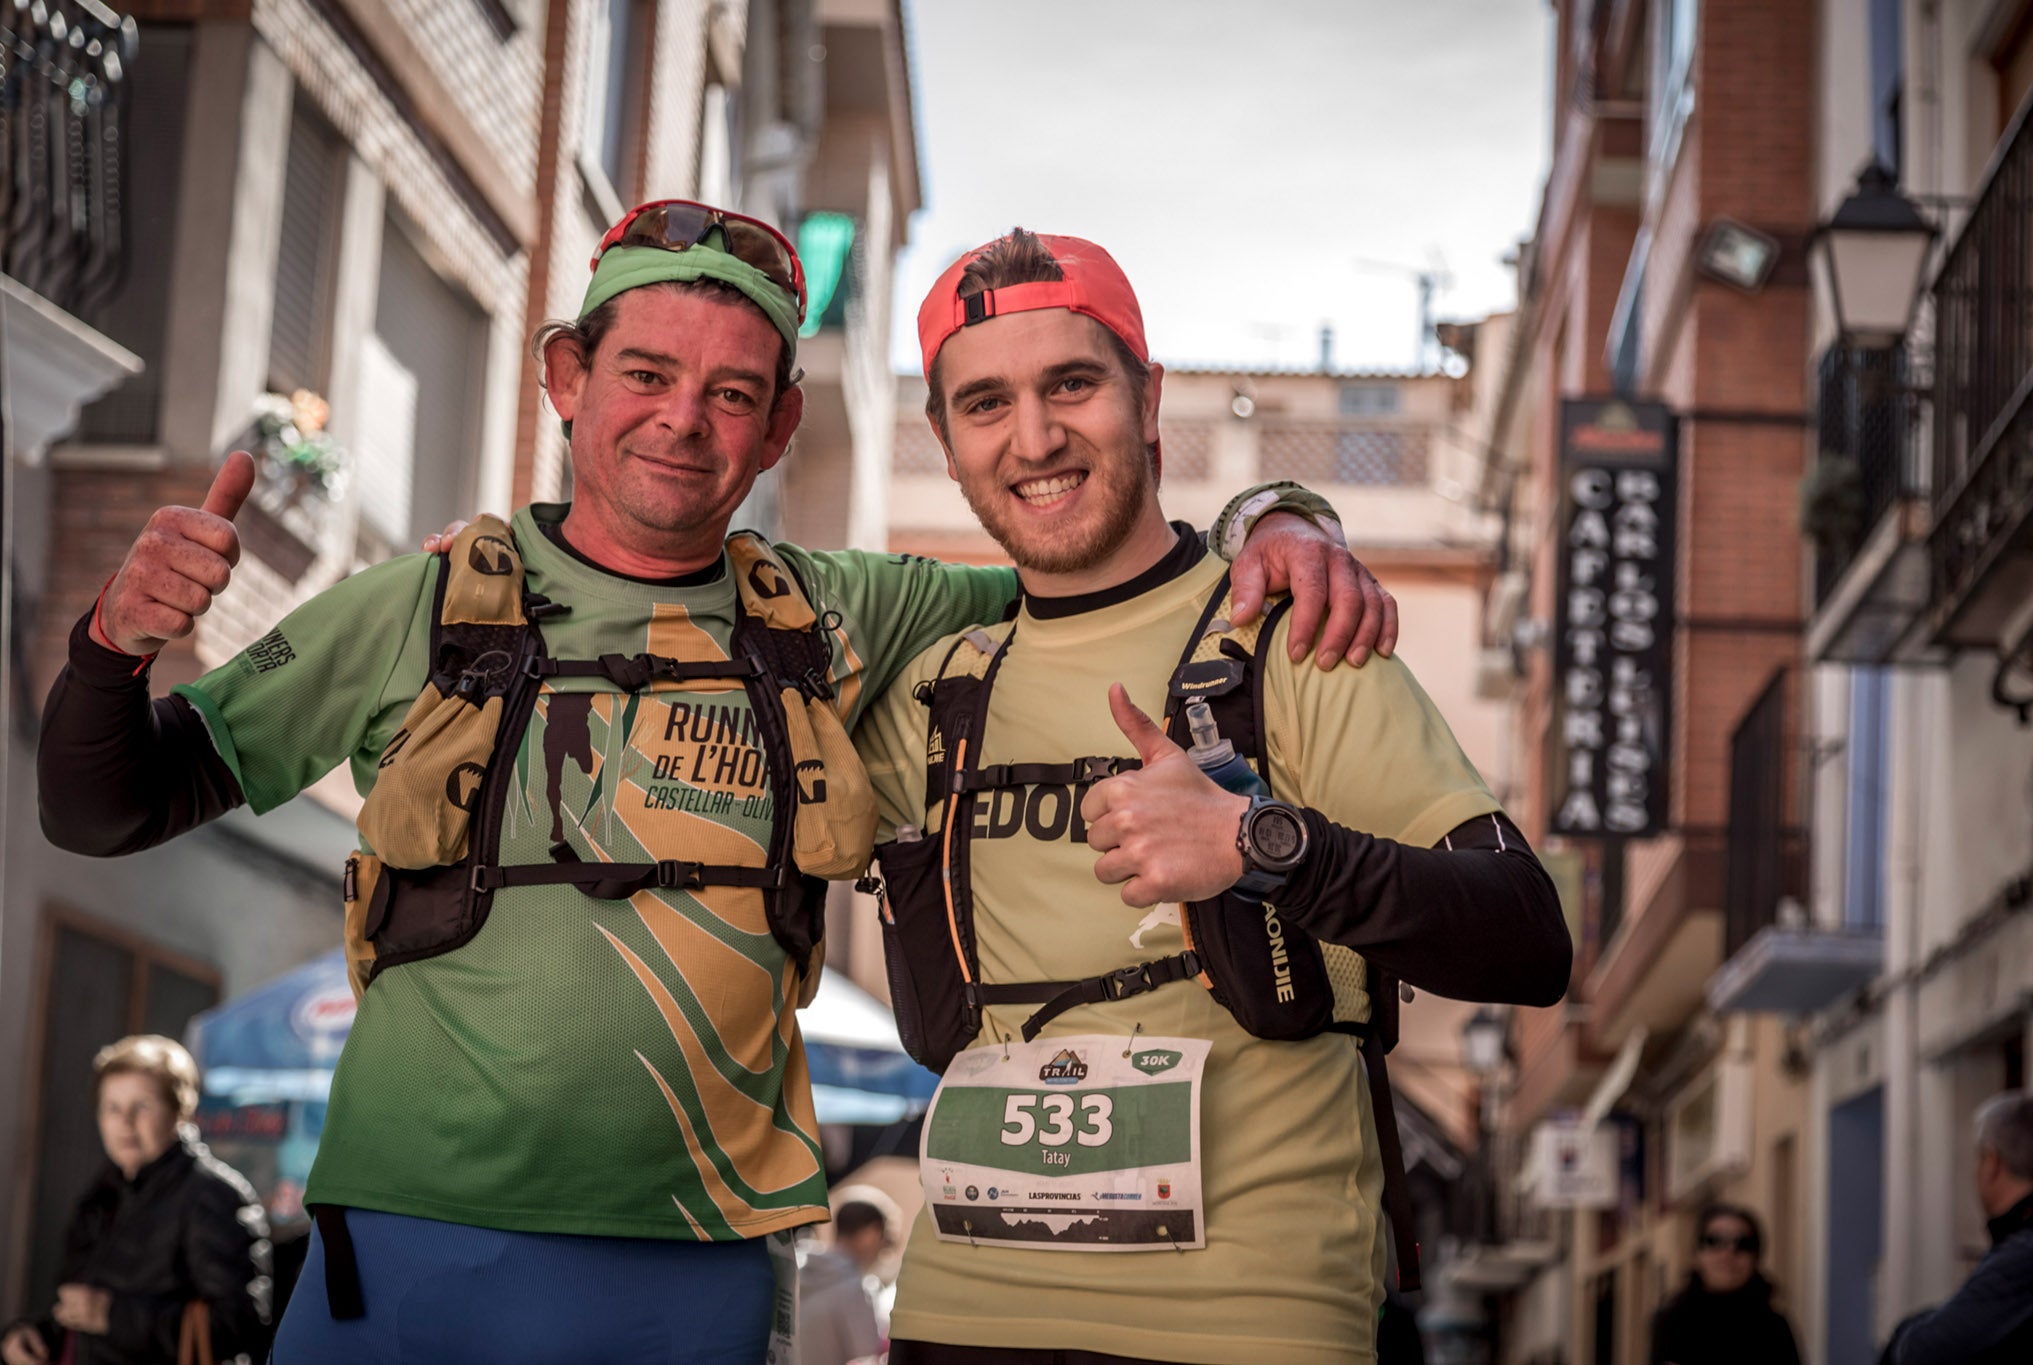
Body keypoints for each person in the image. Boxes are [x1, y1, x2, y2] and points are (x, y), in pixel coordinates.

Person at [37, 197, 1397, 1364]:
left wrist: (1279, 516)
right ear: (567, 375)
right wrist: (114, 647)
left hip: (694, 1269)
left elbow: (1095, 544)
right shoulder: (422, 604)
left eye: (733, 391)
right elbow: (103, 808)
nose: (683, 421)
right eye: (644, 373)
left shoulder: (846, 612)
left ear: (780, 424)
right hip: (399, 1256)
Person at [853, 229, 1573, 1365]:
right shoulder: (931, 691)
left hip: (1249, 1319)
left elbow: (1527, 940)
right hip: (960, 1311)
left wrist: (1263, 846)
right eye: (984, 403)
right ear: (943, 442)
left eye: (1072, 385)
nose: (1033, 437)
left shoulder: (1294, 638)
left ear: (1146, 399)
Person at [0, 1036, 270, 1365]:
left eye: (142, 1106)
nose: (125, 1122)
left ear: (180, 1110)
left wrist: (113, 1316)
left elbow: (241, 1325)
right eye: (112, 1107)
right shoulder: (102, 1195)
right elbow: (79, 1309)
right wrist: (35, 1334)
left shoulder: (214, 1194)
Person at [1882, 1091, 2033, 1365]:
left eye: (1980, 1157)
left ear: (1993, 1163)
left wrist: (1903, 1333)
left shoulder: (2029, 1251)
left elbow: (1921, 1349)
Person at [1648, 1204, 1801, 1365]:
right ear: (1697, 1253)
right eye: (1714, 1242)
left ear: (1755, 1257)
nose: (1728, 1254)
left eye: (1743, 1244)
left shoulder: (1774, 1327)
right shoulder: (1673, 1321)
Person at [798, 1194, 896, 1365]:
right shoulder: (854, 1288)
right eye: (885, 1241)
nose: (883, 1254)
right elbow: (866, 1358)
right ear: (871, 1233)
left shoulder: (797, 1274)